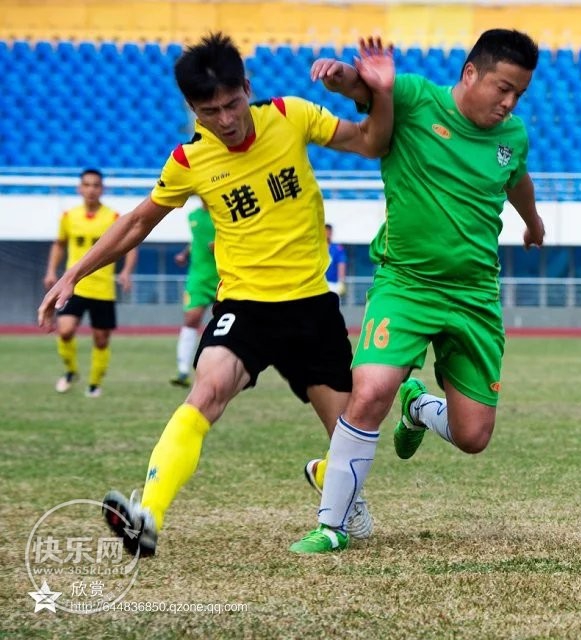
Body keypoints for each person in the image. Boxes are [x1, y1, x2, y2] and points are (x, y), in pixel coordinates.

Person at [38, 32, 395, 556]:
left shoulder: (290, 115)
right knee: (206, 391)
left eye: (232, 104)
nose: (226, 120)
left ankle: (342, 494)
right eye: (210, 111)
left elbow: (372, 141)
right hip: (244, 307)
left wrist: (375, 91)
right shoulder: (190, 159)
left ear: (247, 88)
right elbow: (138, 222)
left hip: (312, 307)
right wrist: (73, 274)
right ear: (193, 109)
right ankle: (146, 517)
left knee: (350, 432)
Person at [291, 28, 545, 553]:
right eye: (503, 87)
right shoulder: (412, 97)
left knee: (473, 437)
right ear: (470, 73)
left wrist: (533, 221)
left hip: (475, 296)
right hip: (405, 284)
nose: (509, 102)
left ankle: (419, 409)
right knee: (368, 392)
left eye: (519, 93)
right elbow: (365, 91)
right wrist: (341, 76)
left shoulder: (512, 135)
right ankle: (331, 525)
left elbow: (516, 176)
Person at [43, 168, 137, 398]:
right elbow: (59, 244)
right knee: (64, 330)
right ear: (79, 188)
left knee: (101, 339)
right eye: (87, 185)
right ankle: (71, 371)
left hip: (103, 288)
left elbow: (131, 244)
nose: (91, 189)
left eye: (96, 185)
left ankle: (94, 384)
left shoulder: (113, 217)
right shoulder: (68, 216)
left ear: (102, 189)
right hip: (74, 286)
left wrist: (126, 271)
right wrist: (51, 271)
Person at [170, 199, 219, 387]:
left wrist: (221, 244)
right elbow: (197, 240)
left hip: (224, 277)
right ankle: (182, 371)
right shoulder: (194, 216)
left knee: (225, 321)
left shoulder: (223, 214)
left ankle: (219, 369)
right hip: (198, 278)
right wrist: (185, 254)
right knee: (191, 318)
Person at [324, 223, 347, 298]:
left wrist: (341, 282)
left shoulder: (337, 248)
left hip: (333, 283)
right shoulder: (317, 248)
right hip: (319, 284)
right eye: (326, 231)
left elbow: (341, 264)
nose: (327, 234)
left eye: (329, 232)